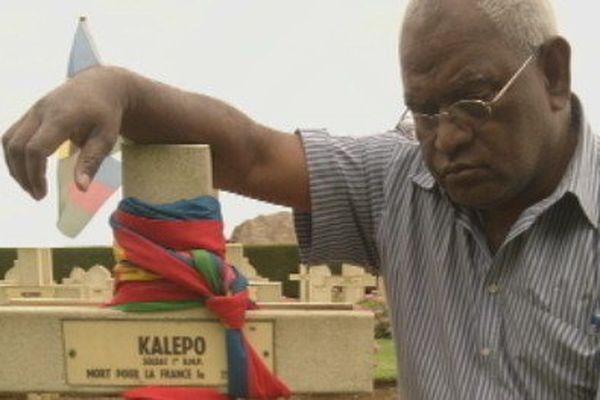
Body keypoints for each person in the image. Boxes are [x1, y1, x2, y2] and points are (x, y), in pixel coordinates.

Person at [3, 0, 599, 398]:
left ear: (553, 73)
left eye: (473, 101)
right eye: (422, 112)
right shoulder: (399, 183)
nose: (444, 139)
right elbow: (254, 153)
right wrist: (119, 91)